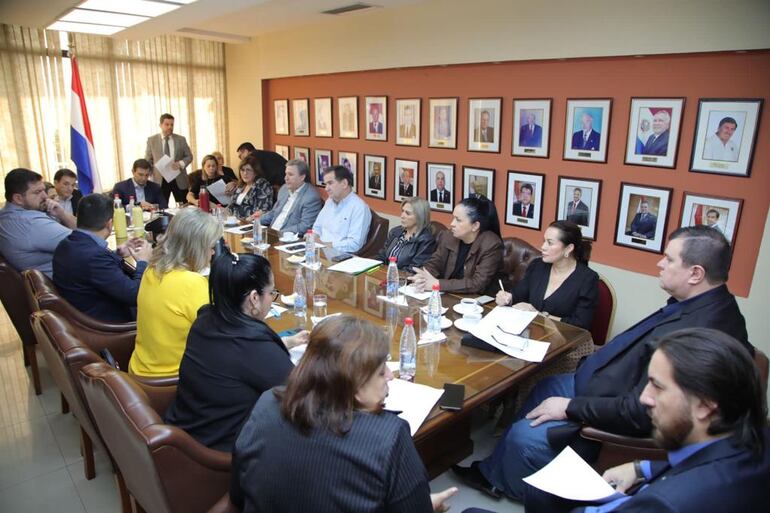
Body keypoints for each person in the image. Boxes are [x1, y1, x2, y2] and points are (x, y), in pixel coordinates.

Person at [453, 225, 752, 501]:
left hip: (604, 413)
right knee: (543, 385)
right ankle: (495, 471)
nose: (660, 264)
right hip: (593, 385)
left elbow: (642, 410)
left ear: (696, 273)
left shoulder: (704, 330)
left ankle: (514, 486)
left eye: (669, 259)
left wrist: (569, 407)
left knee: (523, 435)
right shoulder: (699, 303)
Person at [467, 328, 769, 513]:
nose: (645, 398)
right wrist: (641, 467)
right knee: (540, 492)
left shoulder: (668, 504)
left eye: (658, 387)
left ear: (705, 406)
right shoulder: (754, 438)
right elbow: (699, 461)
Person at [230, 315, 458, 513]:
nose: (390, 376)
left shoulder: (267, 402)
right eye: (381, 372)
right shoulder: (389, 436)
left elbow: (238, 495)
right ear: (355, 387)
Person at [165, 252, 308, 451]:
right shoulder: (253, 345)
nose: (271, 299)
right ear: (254, 299)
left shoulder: (205, 320)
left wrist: (286, 342)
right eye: (271, 293)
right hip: (221, 456)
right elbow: (303, 394)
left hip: (189, 435)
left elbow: (238, 361)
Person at [128, 209, 222, 378]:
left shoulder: (152, 268)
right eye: (211, 247)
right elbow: (222, 337)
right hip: (172, 380)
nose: (213, 253)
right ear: (196, 248)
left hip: (140, 371)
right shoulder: (191, 283)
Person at [53, 193, 153, 323]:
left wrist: (117, 253)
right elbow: (135, 295)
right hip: (109, 326)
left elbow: (95, 269)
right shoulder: (94, 257)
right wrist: (143, 262)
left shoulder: (66, 243)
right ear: (110, 223)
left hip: (84, 316)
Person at [495, 221, 598, 330]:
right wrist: (507, 298)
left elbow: (580, 325)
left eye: (550, 243)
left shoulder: (588, 279)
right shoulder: (537, 265)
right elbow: (519, 294)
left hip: (566, 339)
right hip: (531, 332)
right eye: (544, 241)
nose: (543, 247)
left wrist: (540, 316)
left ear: (568, 248)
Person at [409, 196, 503, 295]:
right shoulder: (448, 236)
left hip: (477, 302)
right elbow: (435, 263)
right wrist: (422, 276)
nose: (452, 224)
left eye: (458, 220)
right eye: (453, 218)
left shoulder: (491, 245)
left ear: (475, 226)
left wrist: (437, 284)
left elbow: (477, 284)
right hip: (449, 296)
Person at [0, 168, 75, 277]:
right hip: (70, 285)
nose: (45, 196)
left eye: (43, 190)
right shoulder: (30, 222)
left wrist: (61, 214)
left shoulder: (6, 216)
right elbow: (88, 243)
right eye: (37, 192)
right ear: (18, 199)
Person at [312, 165, 371, 253]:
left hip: (340, 256)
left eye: (330, 183)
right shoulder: (329, 201)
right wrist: (311, 238)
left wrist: (325, 244)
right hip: (319, 251)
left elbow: (354, 244)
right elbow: (317, 228)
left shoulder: (359, 207)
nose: (326, 188)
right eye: (325, 184)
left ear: (344, 184)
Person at [260, 159, 323, 235]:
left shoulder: (311, 197)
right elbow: (274, 213)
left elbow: (305, 226)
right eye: (286, 174)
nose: (286, 178)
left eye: (290, 174)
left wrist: (280, 233)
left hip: (288, 239)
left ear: (302, 177)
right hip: (271, 233)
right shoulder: (284, 189)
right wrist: (256, 221)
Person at [144, 113, 193, 204]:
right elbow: (148, 160)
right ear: (160, 125)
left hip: (178, 178)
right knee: (161, 208)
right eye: (167, 124)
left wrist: (180, 163)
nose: (170, 127)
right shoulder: (152, 140)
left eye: (172, 125)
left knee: (184, 206)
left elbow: (189, 156)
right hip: (160, 180)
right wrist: (150, 174)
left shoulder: (181, 139)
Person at [377, 198, 436, 271]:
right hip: (385, 275)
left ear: (420, 217)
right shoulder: (395, 232)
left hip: (404, 279)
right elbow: (382, 255)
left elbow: (414, 269)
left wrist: (391, 274)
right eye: (402, 211)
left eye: (407, 213)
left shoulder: (426, 240)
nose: (402, 216)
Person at [229, 155, 274, 220]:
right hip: (234, 221)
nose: (245, 173)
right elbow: (232, 206)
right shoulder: (241, 185)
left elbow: (263, 211)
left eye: (248, 170)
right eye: (242, 170)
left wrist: (245, 221)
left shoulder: (262, 184)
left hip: (250, 223)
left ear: (255, 172)